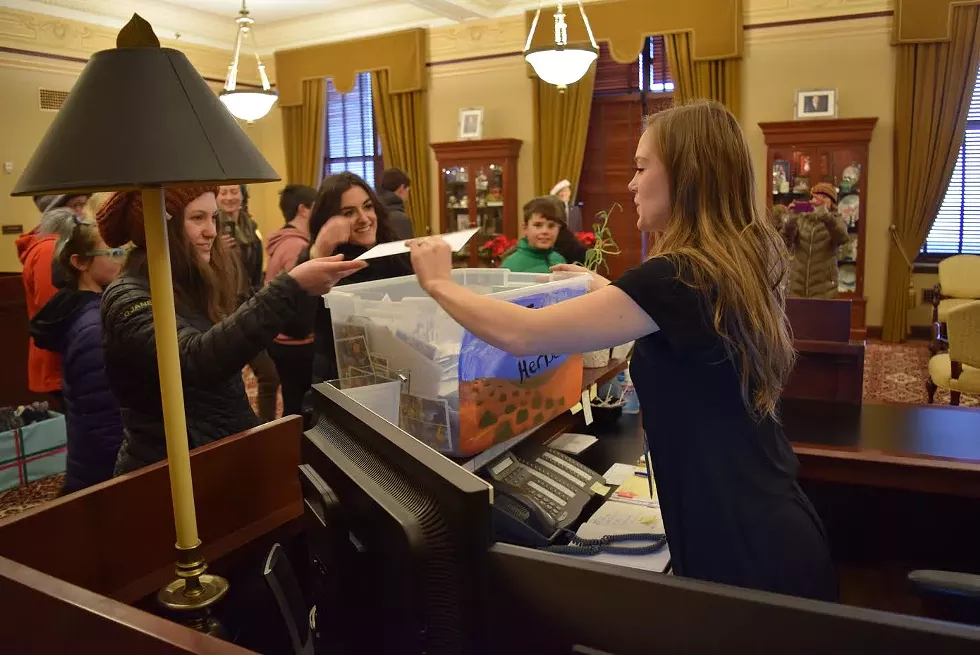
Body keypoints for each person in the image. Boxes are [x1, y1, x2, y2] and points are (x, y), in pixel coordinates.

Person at [408, 100, 836, 601]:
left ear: (687, 174)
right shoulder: (726, 263)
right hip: (762, 511)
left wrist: (439, 283)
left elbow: (524, 334)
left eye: (641, 167)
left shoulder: (675, 275)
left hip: (740, 537)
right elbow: (679, 332)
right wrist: (604, 289)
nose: (631, 184)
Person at [97, 187, 365, 475]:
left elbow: (245, 331)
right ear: (160, 227)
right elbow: (194, 360)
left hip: (214, 454)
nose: (210, 231)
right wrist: (291, 285)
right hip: (167, 471)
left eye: (213, 218)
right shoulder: (126, 295)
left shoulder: (191, 284)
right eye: (197, 218)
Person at [29, 217, 125, 494]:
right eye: (113, 253)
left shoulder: (91, 311)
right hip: (104, 470)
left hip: (93, 462)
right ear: (80, 263)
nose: (122, 260)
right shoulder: (94, 328)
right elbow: (105, 418)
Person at [302, 171, 411, 382]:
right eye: (349, 213)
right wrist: (320, 252)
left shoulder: (393, 251)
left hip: (399, 372)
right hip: (342, 379)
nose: (363, 218)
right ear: (328, 221)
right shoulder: (316, 259)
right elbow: (299, 325)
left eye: (368, 207)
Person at [16, 197, 87, 409]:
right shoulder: (50, 249)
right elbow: (55, 309)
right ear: (56, 211)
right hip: (60, 365)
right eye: (76, 206)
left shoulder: (57, 246)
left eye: (84, 205)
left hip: (66, 361)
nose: (83, 213)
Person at [217, 183, 280, 422]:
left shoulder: (250, 228)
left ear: (243, 197)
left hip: (247, 309)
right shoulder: (210, 230)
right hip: (219, 314)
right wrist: (216, 250)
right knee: (225, 386)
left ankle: (266, 431)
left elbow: (255, 275)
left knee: (269, 376)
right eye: (224, 192)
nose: (230, 197)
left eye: (235, 192)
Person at [265, 184, 318, 417]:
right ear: (303, 210)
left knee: (292, 403)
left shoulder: (284, 240)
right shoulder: (296, 245)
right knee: (299, 408)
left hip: (280, 337)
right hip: (295, 340)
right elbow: (300, 294)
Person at [779, 182, 849, 299]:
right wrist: (791, 220)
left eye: (825, 197)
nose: (819, 200)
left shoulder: (836, 220)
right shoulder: (801, 219)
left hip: (825, 292)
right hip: (796, 290)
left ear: (832, 204)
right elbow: (784, 242)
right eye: (816, 196)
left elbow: (843, 238)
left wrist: (826, 216)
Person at [500, 196, 567, 274]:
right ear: (525, 228)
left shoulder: (559, 261)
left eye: (551, 226)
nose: (545, 231)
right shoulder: (511, 266)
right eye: (538, 225)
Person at [377, 168, 414, 240]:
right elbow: (404, 250)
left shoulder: (373, 211)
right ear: (401, 188)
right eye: (408, 190)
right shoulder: (400, 219)